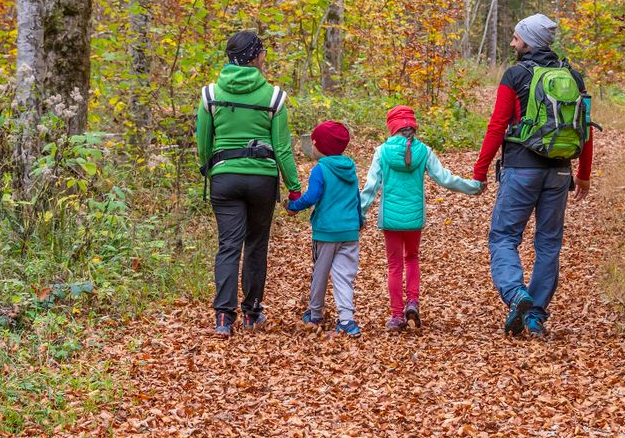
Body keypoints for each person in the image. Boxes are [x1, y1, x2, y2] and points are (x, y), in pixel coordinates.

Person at [473, 14, 595, 338]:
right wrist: (583, 173)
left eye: (516, 38)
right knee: (549, 243)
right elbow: (584, 129)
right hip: (559, 171)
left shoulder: (515, 75)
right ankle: (535, 317)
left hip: (521, 168)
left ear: (529, 41)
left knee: (503, 237)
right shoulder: (573, 76)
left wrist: (480, 170)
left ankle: (517, 295)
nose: (513, 43)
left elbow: (497, 125)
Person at [196, 30, 302, 338]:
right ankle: (252, 312)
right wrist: (294, 186)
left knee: (228, 245)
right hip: (262, 180)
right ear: (254, 57)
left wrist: (210, 168)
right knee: (256, 245)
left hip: (224, 178)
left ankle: (223, 318)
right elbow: (282, 148)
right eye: (262, 52)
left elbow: (204, 141)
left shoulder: (210, 94)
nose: (264, 57)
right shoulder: (274, 97)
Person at [360, 106, 482, 332]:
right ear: (413, 126)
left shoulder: (382, 151)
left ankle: (397, 316)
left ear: (392, 126)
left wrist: (360, 212)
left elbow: (371, 186)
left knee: (394, 265)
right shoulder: (423, 151)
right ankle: (413, 302)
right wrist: (473, 187)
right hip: (414, 218)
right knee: (412, 258)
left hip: (391, 220)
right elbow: (444, 178)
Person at [287, 121, 365, 337]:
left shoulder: (320, 169)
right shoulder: (350, 168)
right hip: (349, 231)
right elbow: (356, 197)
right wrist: (359, 220)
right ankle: (347, 321)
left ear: (320, 146)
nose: (311, 146)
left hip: (326, 232)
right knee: (344, 275)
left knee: (320, 272)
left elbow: (312, 197)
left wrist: (292, 206)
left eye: (313, 142)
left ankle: (315, 313)